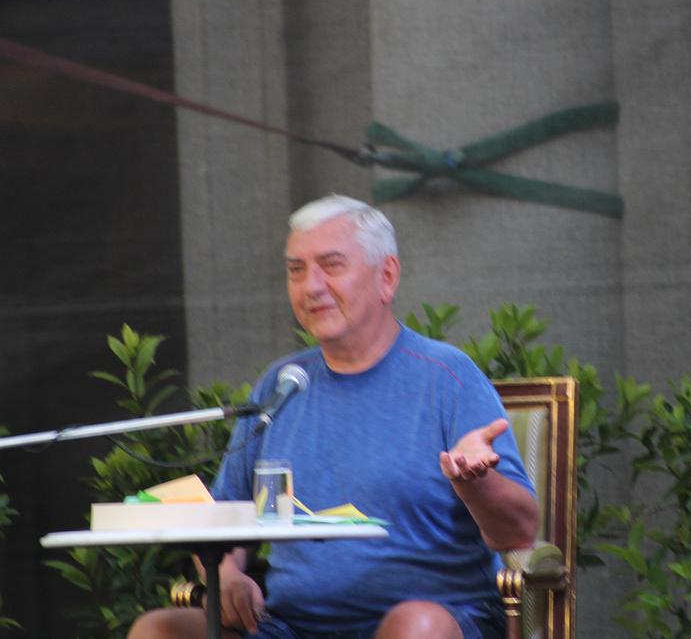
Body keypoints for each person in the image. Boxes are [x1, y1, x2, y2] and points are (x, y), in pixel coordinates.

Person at [127, 194, 539, 639]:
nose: (311, 286)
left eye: (331, 265)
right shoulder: (281, 384)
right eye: (296, 270)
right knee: (158, 631)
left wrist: (477, 482)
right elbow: (225, 517)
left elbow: (519, 532)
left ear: (386, 276)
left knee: (416, 627)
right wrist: (224, 574)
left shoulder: (448, 378)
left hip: (432, 622)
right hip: (288, 627)